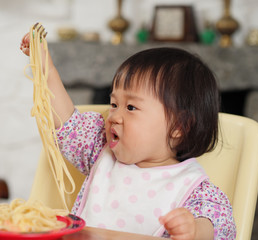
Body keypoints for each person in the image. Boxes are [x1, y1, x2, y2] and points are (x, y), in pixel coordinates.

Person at [20, 34, 236, 239]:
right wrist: (45, 69)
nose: (114, 116)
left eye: (131, 107)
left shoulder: (194, 188)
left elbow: (221, 226)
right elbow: (65, 122)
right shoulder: (99, 150)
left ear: (179, 126)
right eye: (114, 104)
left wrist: (195, 230)